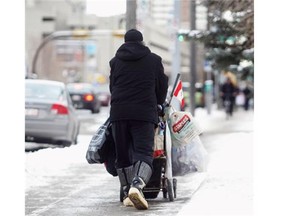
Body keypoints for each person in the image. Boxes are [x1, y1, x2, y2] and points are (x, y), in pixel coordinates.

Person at [109, 29, 168, 210]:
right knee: (143, 152)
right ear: (142, 42)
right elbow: (161, 86)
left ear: (125, 42)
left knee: (123, 155)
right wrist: (157, 103)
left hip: (119, 114)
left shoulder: (115, 61)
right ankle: (137, 184)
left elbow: (113, 87)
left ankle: (128, 191)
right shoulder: (154, 60)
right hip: (144, 114)